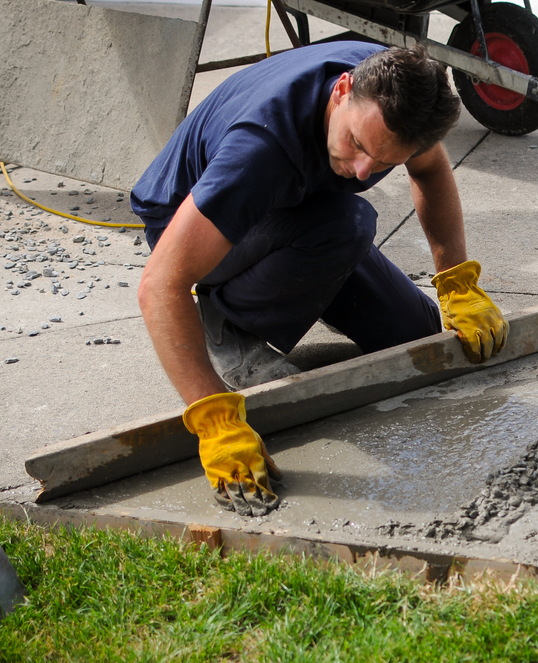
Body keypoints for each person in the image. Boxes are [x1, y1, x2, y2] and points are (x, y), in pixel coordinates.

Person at [131, 42, 508, 518]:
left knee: (416, 335)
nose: (362, 170)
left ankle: (304, 271)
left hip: (299, 206)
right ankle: (226, 316)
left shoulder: (402, 93)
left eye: (385, 162)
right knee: (347, 220)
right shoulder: (260, 149)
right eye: (358, 144)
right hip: (190, 223)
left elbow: (430, 169)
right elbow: (160, 283)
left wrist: (455, 281)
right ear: (342, 89)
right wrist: (213, 419)